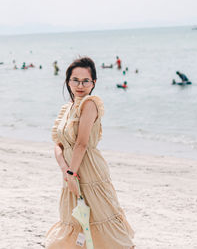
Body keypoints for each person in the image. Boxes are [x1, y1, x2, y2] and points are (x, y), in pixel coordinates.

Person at [45, 57, 135, 249]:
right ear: (68, 81)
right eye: (75, 80)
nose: (80, 85)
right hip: (70, 171)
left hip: (89, 170)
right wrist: (65, 170)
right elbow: (58, 144)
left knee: (101, 217)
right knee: (74, 219)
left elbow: (82, 144)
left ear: (94, 82)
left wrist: (72, 172)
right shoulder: (66, 108)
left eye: (86, 81)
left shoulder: (90, 104)